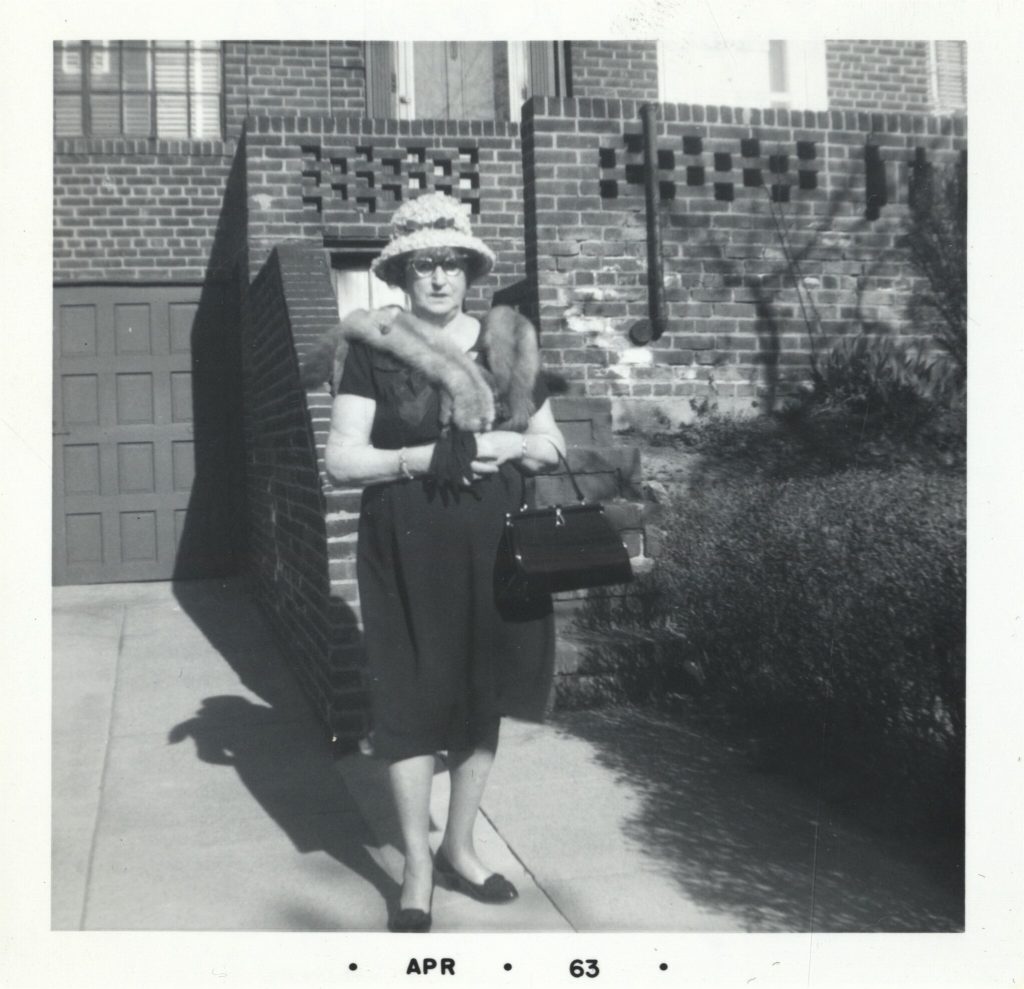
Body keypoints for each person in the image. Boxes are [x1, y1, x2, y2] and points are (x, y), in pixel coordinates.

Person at [322, 192, 567, 933]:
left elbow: (552, 444)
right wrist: (426, 456)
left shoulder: (507, 341)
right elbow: (341, 460)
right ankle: (417, 868)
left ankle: (459, 845)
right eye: (423, 265)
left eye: (451, 263)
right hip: (406, 543)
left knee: (480, 692)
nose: (438, 279)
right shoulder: (374, 346)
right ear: (401, 272)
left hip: (493, 544)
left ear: (468, 270)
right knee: (407, 701)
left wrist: (510, 444)